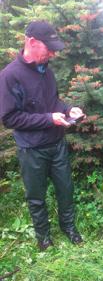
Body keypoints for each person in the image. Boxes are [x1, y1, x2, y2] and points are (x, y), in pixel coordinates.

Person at [0, 20, 86, 250]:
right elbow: (10, 118)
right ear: (32, 42)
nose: (52, 54)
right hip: (32, 149)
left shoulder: (46, 71)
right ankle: (43, 237)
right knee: (36, 196)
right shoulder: (9, 76)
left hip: (56, 143)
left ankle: (68, 227)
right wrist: (49, 119)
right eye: (49, 49)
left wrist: (68, 109)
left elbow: (53, 101)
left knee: (65, 189)